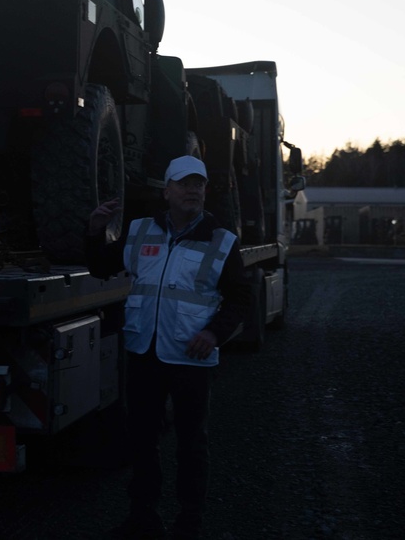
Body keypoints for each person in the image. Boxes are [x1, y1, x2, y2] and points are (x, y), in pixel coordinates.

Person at [86, 155, 250, 540]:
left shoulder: (222, 240)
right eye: (184, 183)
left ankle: (189, 523)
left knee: (192, 444)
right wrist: (94, 230)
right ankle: (143, 517)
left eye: (199, 184)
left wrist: (213, 334)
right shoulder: (141, 231)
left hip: (191, 358)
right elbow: (100, 267)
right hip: (144, 353)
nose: (193, 190)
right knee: (142, 440)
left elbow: (241, 298)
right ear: (167, 191)